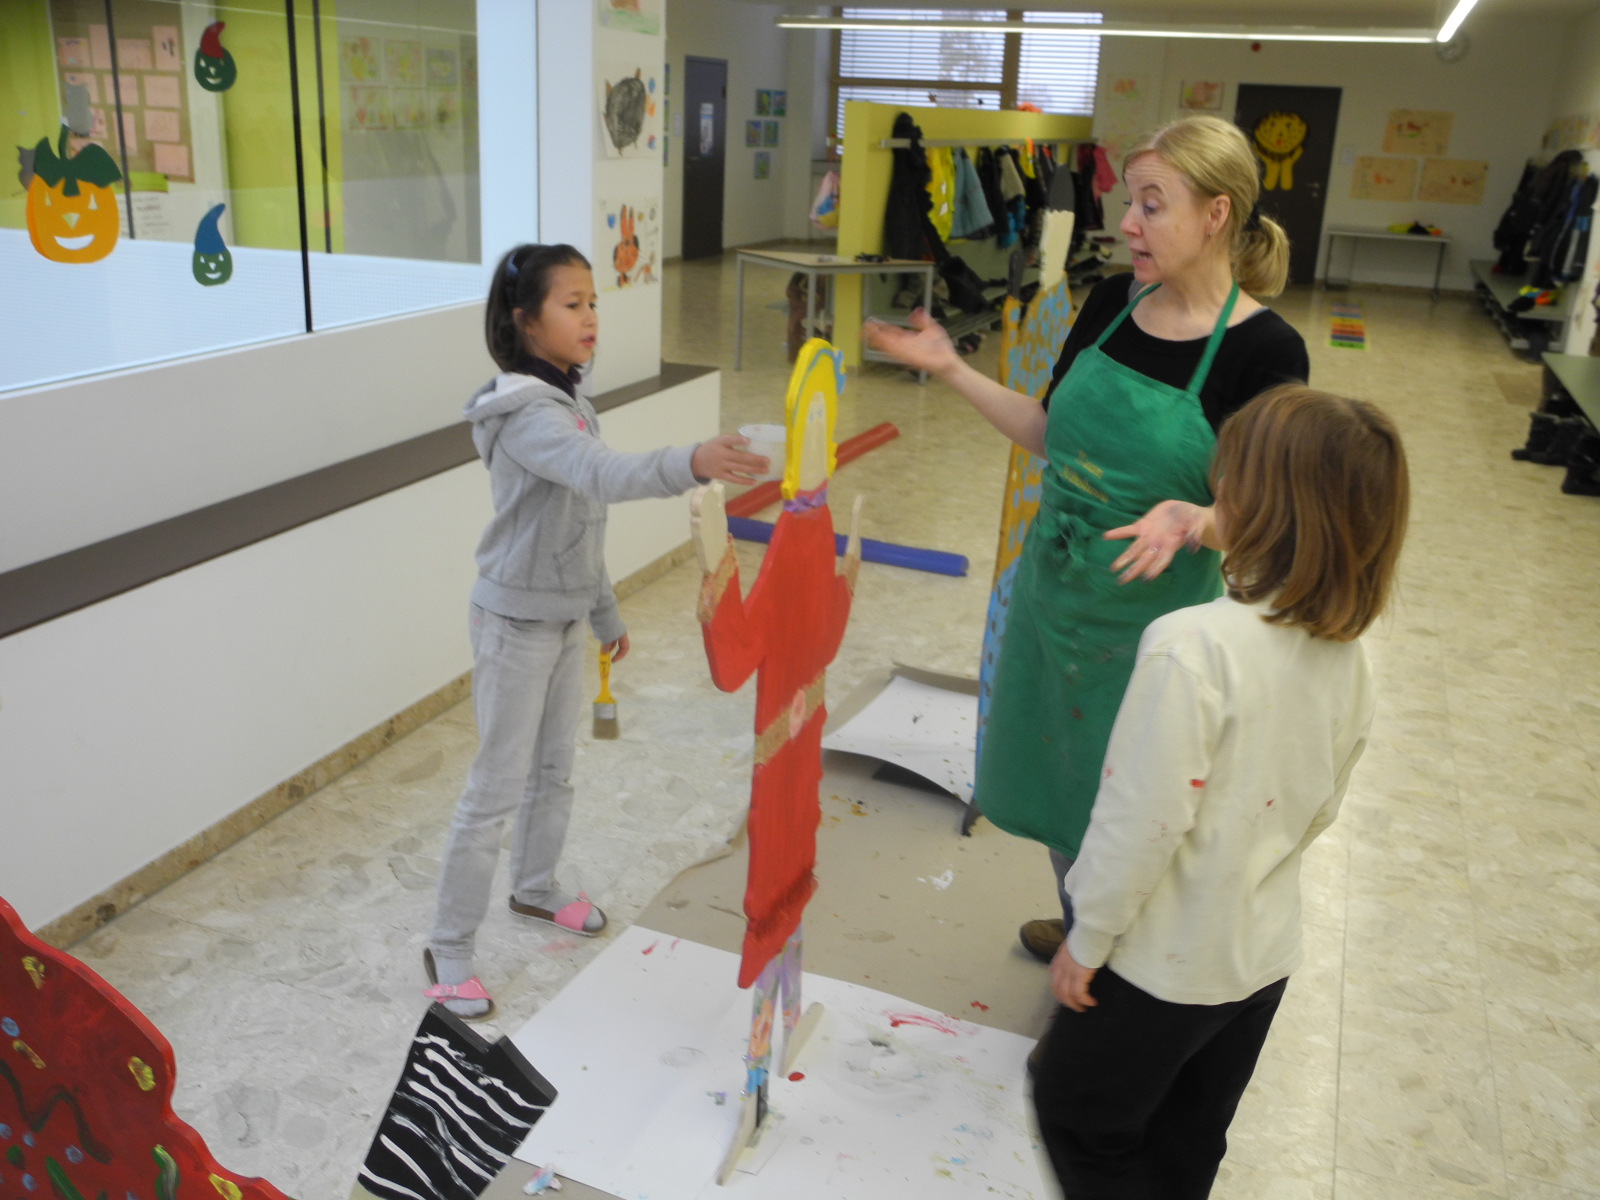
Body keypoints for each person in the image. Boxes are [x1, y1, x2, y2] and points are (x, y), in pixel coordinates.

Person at [863, 114, 1309, 964]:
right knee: (1057, 779)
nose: (1127, 224)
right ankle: (1083, 928)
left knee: (1137, 804)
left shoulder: (1265, 350)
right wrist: (952, 368)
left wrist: (1199, 520)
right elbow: (1047, 433)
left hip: (1149, 629)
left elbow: (1266, 515)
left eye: (1152, 205)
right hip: (1055, 596)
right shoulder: (1111, 304)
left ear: (1216, 214)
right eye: (1128, 203)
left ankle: (1122, 965)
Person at [1029, 384, 1409, 1198]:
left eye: (1227, 478)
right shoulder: (1349, 656)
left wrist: (1088, 937)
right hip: (1261, 958)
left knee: (1075, 1113)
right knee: (1185, 1143)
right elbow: (1323, 807)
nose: (1214, 489)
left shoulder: (1190, 646)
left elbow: (1142, 822)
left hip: (1159, 966)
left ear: (1259, 505)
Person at [424, 243, 769, 1020]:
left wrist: (604, 613)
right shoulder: (528, 416)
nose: (590, 318)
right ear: (525, 321)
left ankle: (534, 887)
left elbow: (581, 523)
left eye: (593, 303)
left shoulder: (570, 400)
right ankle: (448, 946)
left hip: (561, 617)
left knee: (555, 768)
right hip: (513, 624)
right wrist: (692, 459)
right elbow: (603, 476)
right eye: (571, 304)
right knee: (495, 789)